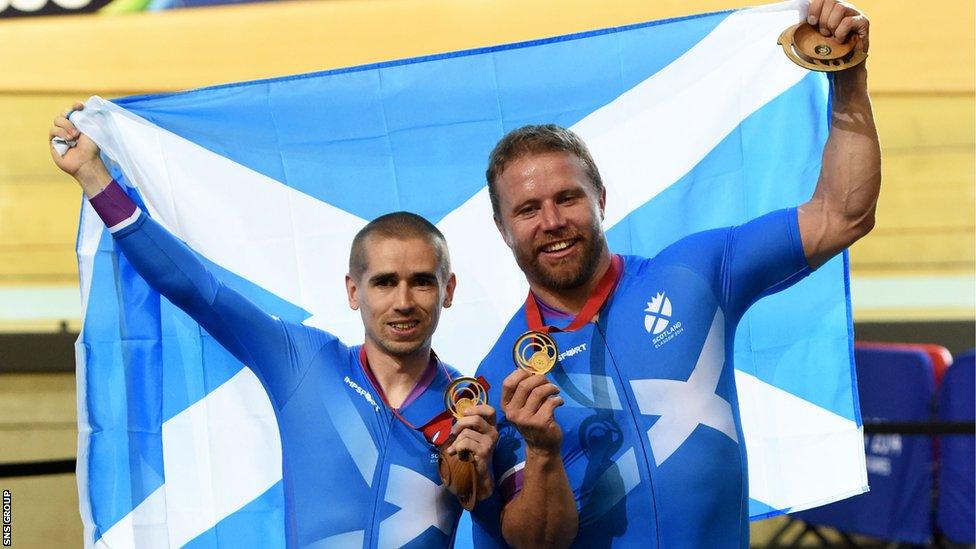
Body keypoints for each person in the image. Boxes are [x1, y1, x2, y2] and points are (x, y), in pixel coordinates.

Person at [473, 2, 880, 547]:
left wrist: (848, 76)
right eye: (528, 209)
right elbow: (529, 542)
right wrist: (542, 452)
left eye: (568, 198)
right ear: (503, 229)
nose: (552, 221)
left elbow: (842, 214)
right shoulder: (500, 375)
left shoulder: (696, 275)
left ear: (601, 200)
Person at [50, 105, 499, 548]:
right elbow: (198, 291)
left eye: (422, 282)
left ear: (448, 290)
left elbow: (519, 535)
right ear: (352, 291)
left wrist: (488, 492)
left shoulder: (471, 409)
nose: (403, 302)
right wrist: (93, 176)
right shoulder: (303, 362)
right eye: (384, 282)